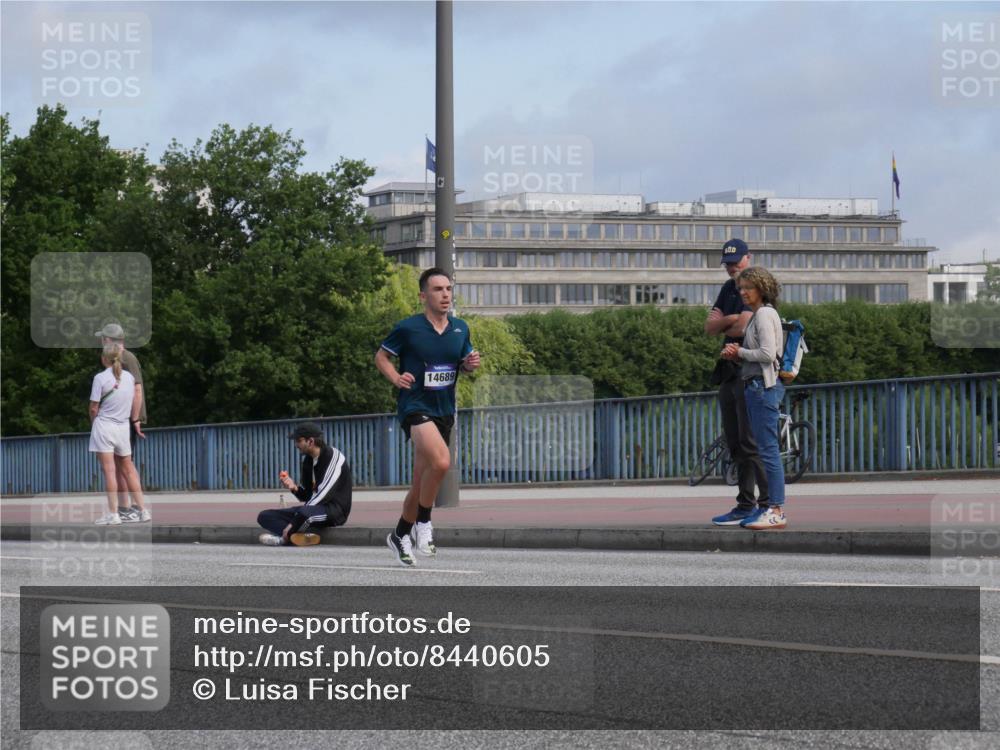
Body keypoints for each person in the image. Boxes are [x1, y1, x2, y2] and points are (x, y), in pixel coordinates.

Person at [375, 267, 480, 566]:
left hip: (444, 409)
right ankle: (424, 521)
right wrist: (396, 378)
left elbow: (465, 363)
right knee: (443, 462)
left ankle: (399, 534)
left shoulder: (460, 328)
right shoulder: (408, 328)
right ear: (423, 296)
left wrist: (471, 363)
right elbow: (381, 357)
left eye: (448, 288)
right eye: (438, 289)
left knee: (420, 482)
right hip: (416, 407)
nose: (445, 294)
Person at [704, 239, 769, 527]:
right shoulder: (728, 288)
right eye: (728, 263)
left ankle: (767, 504)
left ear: (748, 258)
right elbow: (709, 328)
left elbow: (743, 327)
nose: (732, 267)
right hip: (728, 371)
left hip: (750, 369)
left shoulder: (755, 285)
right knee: (735, 442)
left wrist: (727, 320)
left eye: (736, 261)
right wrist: (730, 321)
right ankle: (745, 504)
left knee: (750, 441)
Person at [722, 266, 787, 530]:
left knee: (768, 451)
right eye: (741, 288)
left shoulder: (764, 314)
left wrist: (740, 353)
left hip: (763, 386)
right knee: (765, 449)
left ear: (761, 288)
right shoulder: (761, 315)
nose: (743, 292)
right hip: (758, 386)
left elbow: (767, 354)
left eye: (748, 287)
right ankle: (770, 508)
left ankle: (776, 509)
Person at [257, 423, 353, 546]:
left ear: (311, 441)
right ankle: (296, 537)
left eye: (298, 440)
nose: (296, 444)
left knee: (303, 513)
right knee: (265, 516)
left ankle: (284, 538)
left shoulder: (333, 456)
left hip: (334, 511)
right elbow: (307, 496)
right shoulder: (308, 461)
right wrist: (294, 488)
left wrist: (296, 519)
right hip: (312, 508)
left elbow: (323, 494)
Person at [89, 343, 149, 525]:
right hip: (123, 427)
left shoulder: (100, 378)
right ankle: (143, 511)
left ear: (104, 359)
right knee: (129, 470)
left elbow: (93, 407)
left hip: (105, 426)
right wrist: (135, 419)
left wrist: (94, 424)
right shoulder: (130, 378)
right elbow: (134, 397)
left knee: (109, 471)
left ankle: (114, 513)